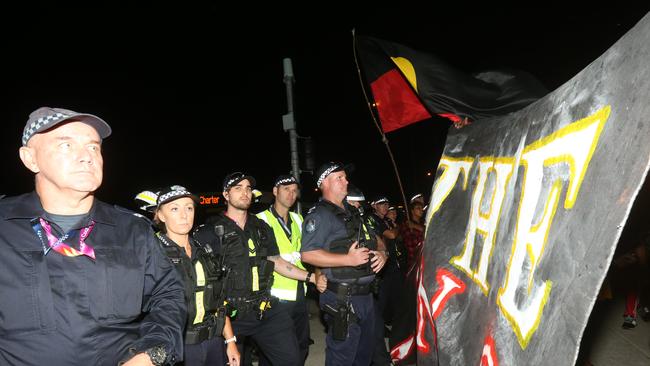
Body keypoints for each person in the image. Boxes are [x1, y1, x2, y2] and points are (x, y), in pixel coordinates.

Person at [1, 107, 186, 365]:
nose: (86, 157)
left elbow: (169, 294)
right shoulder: (4, 227)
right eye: (66, 145)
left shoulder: (132, 231)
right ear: (30, 158)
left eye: (93, 147)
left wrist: (153, 353)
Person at [194, 172, 319, 366]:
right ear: (226, 195)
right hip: (229, 316)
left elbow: (277, 262)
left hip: (264, 309)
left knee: (292, 359)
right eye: (238, 188)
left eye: (248, 188)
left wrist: (311, 277)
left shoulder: (261, 227)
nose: (245, 193)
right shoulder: (209, 232)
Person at [301, 162, 388, 366]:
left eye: (345, 177)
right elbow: (308, 254)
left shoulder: (353, 212)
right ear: (324, 183)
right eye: (339, 177)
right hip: (342, 298)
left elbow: (377, 239)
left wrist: (383, 254)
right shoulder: (320, 215)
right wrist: (347, 260)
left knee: (364, 356)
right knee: (342, 358)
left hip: (366, 296)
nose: (346, 181)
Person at [152, 185, 240, 366]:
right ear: (161, 215)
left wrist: (230, 341)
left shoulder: (205, 251)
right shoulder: (152, 254)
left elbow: (219, 300)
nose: (184, 215)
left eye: (189, 208)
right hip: (177, 347)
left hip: (213, 343)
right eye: (174, 209)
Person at [255, 174, 327, 365]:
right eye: (286, 189)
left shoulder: (298, 219)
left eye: (294, 190)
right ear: (275, 191)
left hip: (299, 293)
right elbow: (274, 261)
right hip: (273, 298)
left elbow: (310, 251)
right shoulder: (260, 220)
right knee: (273, 352)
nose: (291, 194)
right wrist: (313, 277)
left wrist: (318, 271)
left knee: (301, 345)